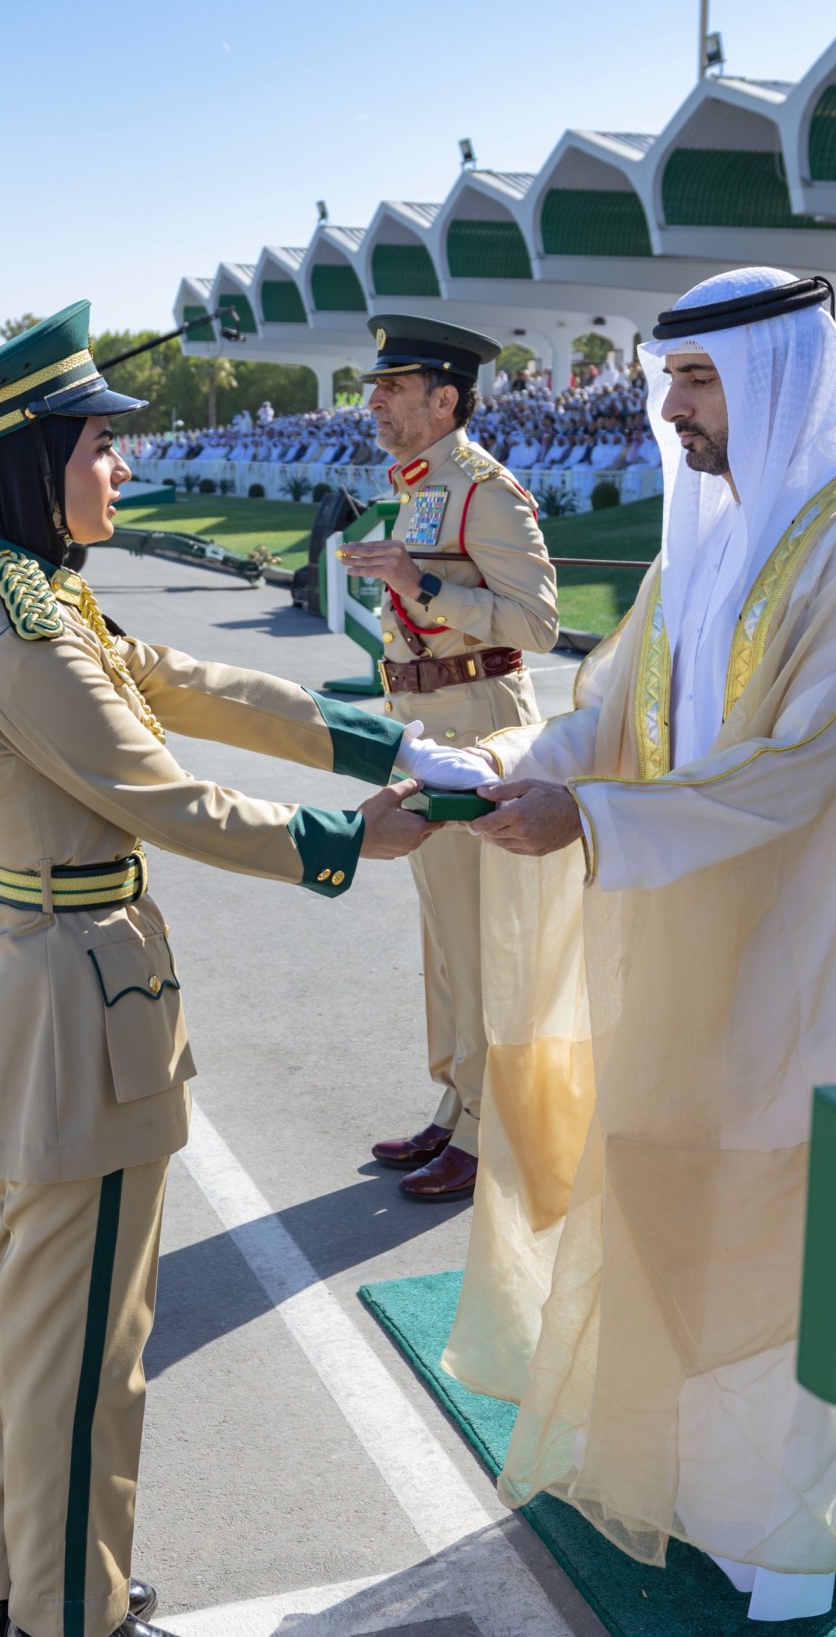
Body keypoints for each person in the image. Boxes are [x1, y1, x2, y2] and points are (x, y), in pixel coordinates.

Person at [0, 303, 456, 1637]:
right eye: (99, 447)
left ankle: (2, 1590)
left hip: (41, 986)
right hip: (80, 1010)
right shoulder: (26, 635)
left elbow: (181, 679)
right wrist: (349, 840)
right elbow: (164, 794)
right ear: (28, 461)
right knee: (90, 1345)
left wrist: (379, 746)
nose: (121, 469)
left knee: (28, 1324)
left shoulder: (22, 591)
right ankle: (73, 1615)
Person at [440, 267, 836, 1622]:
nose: (672, 408)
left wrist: (587, 825)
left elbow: (796, 770)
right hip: (677, 951)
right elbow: (602, 713)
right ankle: (695, 1492)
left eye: (700, 379)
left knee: (787, 1230)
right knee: (681, 1202)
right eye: (670, 378)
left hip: (811, 960)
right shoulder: (700, 540)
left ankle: (789, 1532)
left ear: (781, 375)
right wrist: (486, 766)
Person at [338, 314, 559, 1202]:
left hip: (479, 721)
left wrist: (421, 583)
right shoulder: (419, 483)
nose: (374, 399)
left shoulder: (487, 490)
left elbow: (538, 623)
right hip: (432, 717)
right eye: (376, 386)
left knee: (481, 938)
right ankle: (457, 1101)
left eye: (392, 386)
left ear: (444, 398)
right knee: (446, 938)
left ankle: (488, 1124)